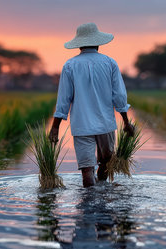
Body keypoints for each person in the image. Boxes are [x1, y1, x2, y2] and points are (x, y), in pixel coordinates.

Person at [48, 22, 134, 187]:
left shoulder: (70, 66)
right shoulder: (110, 63)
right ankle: (101, 202)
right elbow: (119, 96)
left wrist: (55, 127)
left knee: (87, 171)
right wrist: (126, 122)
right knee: (106, 164)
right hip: (106, 124)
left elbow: (63, 100)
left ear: (79, 45)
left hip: (82, 126)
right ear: (97, 43)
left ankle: (89, 208)